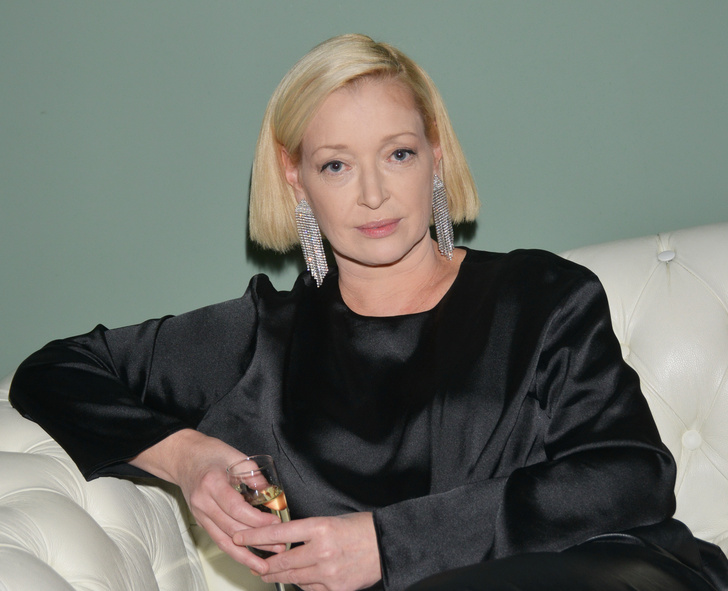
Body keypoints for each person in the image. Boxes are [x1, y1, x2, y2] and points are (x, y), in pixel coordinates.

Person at [9, 34, 728, 591]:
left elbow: (631, 475)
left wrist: (388, 545)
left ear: (435, 156)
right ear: (295, 176)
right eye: (336, 164)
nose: (374, 194)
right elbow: (53, 371)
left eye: (398, 154)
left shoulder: (541, 296)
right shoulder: (263, 339)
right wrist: (188, 458)